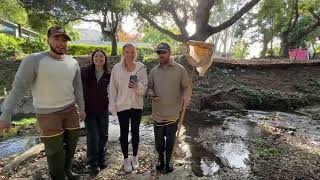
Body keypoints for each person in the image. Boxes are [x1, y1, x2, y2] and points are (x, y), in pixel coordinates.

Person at [0, 26, 85, 180]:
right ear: (48, 39)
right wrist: (5, 115)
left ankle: (67, 171)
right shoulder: (34, 60)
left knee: (72, 144)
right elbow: (18, 89)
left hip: (71, 110)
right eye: (56, 38)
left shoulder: (73, 62)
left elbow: (78, 88)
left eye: (64, 39)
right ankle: (58, 177)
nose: (61, 43)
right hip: (47, 113)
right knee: (55, 151)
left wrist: (82, 108)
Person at [147, 42, 191, 173]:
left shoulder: (180, 69)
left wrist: (186, 97)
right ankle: (160, 159)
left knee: (170, 142)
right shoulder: (153, 71)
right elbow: (149, 87)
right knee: (159, 143)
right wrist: (151, 94)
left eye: (164, 52)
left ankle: (168, 161)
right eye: (159, 52)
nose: (161, 55)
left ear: (169, 53)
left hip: (173, 114)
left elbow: (186, 86)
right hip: (158, 114)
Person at [108, 43, 148, 173]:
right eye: (127, 52)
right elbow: (112, 89)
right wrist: (113, 107)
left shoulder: (141, 68)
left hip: (136, 105)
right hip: (122, 105)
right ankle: (126, 159)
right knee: (124, 133)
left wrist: (137, 86)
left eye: (132, 52)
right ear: (123, 53)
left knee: (135, 132)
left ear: (135, 53)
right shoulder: (116, 68)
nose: (130, 55)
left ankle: (135, 157)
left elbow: (144, 90)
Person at [81, 49, 110, 176]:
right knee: (92, 137)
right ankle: (92, 164)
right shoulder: (85, 72)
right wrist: (81, 108)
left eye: (101, 56)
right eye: (96, 56)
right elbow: (79, 90)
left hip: (103, 110)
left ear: (105, 59)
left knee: (103, 136)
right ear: (93, 58)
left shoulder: (108, 74)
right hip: (89, 111)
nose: (99, 58)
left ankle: (101, 160)